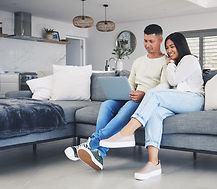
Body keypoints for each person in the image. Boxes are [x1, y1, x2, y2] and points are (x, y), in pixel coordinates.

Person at [100, 32, 204, 180]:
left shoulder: (189, 59)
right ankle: (153, 163)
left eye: (172, 46)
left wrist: (170, 63)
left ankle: (127, 133)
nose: (169, 51)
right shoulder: (178, 63)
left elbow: (174, 80)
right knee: (155, 113)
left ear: (181, 45)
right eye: (167, 47)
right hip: (180, 100)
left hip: (194, 99)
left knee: (154, 94)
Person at [64, 24, 169, 170]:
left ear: (160, 40)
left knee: (127, 107)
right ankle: (98, 154)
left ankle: (93, 145)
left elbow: (163, 86)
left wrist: (143, 94)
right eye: (145, 41)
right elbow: (131, 82)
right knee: (106, 104)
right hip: (132, 95)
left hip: (147, 99)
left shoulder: (166, 61)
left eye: (151, 41)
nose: (147, 45)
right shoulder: (138, 61)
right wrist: (128, 91)